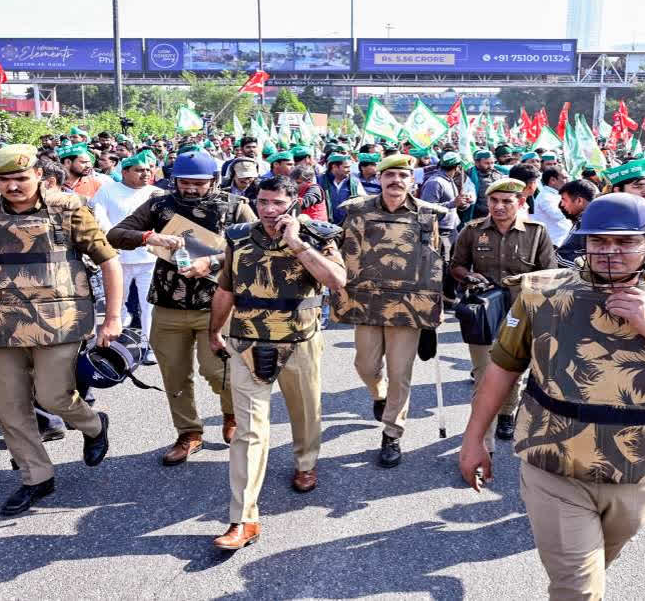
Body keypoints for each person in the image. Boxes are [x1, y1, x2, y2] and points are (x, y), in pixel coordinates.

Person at [458, 192, 645, 599]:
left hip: (637, 468)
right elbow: (502, 369)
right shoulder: (541, 293)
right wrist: (474, 439)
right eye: (600, 241)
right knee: (578, 587)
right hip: (553, 459)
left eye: (625, 242)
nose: (610, 251)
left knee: (593, 569)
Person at [0, 145, 119, 515]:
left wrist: (112, 318)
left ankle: (93, 426)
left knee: (54, 396)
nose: (12, 186)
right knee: (9, 406)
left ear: (40, 176)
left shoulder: (69, 209)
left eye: (21, 178)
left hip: (59, 322)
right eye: (4, 180)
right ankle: (36, 477)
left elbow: (108, 262)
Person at [207, 175, 347, 550]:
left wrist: (297, 244)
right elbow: (225, 287)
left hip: (300, 339)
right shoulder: (238, 236)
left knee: (305, 411)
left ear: (293, 204)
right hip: (247, 340)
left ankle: (306, 463)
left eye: (277, 203)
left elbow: (336, 280)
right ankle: (244, 518)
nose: (269, 211)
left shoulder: (318, 235)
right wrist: (214, 329)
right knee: (250, 431)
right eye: (263, 202)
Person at [106, 151, 256, 464]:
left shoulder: (235, 205)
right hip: (167, 304)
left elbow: (257, 248)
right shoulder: (159, 204)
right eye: (184, 182)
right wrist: (151, 236)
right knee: (174, 375)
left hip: (216, 305)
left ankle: (231, 415)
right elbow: (116, 234)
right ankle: (189, 433)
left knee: (218, 371)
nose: (190, 189)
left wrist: (212, 262)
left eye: (198, 184)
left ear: (214, 180)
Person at [332, 155, 447, 467]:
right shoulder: (355, 211)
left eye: (402, 175)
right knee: (366, 366)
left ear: (413, 180)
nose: (396, 181)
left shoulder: (428, 215)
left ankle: (393, 432)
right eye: (390, 175)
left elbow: (435, 263)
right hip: (366, 303)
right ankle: (377, 394)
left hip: (407, 307)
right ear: (379, 179)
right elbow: (339, 252)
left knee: (400, 372)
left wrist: (434, 305)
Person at [450, 178, 554, 445]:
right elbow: (456, 266)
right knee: (483, 375)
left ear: (521, 202)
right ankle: (482, 441)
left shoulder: (537, 231)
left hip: (521, 312)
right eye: (494, 201)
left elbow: (550, 274)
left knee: (514, 369)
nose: (499, 207)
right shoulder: (472, 230)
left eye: (507, 201)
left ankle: (507, 412)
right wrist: (469, 275)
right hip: (483, 311)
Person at [90, 154, 163, 363]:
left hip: (149, 259)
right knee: (117, 303)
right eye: (140, 170)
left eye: (149, 169)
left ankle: (149, 346)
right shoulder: (108, 190)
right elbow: (99, 218)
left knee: (149, 304)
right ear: (125, 171)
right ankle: (114, 344)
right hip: (117, 259)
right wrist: (112, 238)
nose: (146, 173)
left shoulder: (155, 194)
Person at [554, 179, 599, 268]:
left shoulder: (585, 222)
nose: (562, 204)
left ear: (579, 201)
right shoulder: (594, 217)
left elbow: (563, 257)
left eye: (564, 200)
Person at [321, 152, 365, 225]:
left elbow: (363, 201)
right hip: (325, 227)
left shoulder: (354, 182)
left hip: (348, 226)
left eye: (349, 167)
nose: (349, 170)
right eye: (346, 167)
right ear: (334, 167)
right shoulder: (319, 181)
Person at [533, 167, 572, 247]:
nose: (568, 181)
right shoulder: (545, 197)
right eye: (564, 178)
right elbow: (557, 215)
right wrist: (575, 207)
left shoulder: (556, 194)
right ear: (553, 180)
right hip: (553, 243)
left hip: (562, 241)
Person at [470, 150, 505, 219]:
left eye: (492, 163)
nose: (490, 166)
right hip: (479, 216)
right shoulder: (469, 176)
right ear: (477, 163)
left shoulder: (498, 174)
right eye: (487, 163)